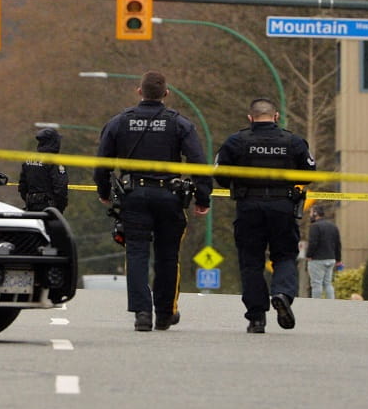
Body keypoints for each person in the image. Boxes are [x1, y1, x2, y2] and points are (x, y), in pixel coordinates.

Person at [95, 70, 212, 332]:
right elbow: (198, 162)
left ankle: (142, 314)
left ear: (139, 92)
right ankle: (165, 313)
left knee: (136, 252)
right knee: (168, 256)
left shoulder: (119, 122)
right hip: (169, 196)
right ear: (166, 94)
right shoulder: (179, 123)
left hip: (134, 196)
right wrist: (203, 197)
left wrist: (104, 192)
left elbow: (102, 163)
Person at [212, 98, 315, 332]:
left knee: (251, 261)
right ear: (276, 117)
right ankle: (282, 293)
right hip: (282, 206)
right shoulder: (293, 141)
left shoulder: (236, 141)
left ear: (250, 118)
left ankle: (257, 317)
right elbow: (310, 172)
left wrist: (238, 183)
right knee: (285, 254)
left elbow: (219, 173)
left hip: (249, 206)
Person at [18, 126, 70, 213]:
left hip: (31, 208)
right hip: (50, 209)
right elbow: (61, 188)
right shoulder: (55, 162)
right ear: (54, 142)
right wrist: (59, 208)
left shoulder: (29, 160)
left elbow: (22, 186)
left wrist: (30, 201)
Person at [305, 208, 341, 299]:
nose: (310, 215)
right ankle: (331, 302)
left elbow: (313, 242)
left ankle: (316, 304)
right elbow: (338, 244)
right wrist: (338, 259)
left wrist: (309, 255)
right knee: (328, 283)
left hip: (317, 259)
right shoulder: (333, 226)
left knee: (316, 283)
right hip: (331, 258)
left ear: (315, 213)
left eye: (311, 213)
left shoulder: (315, 226)